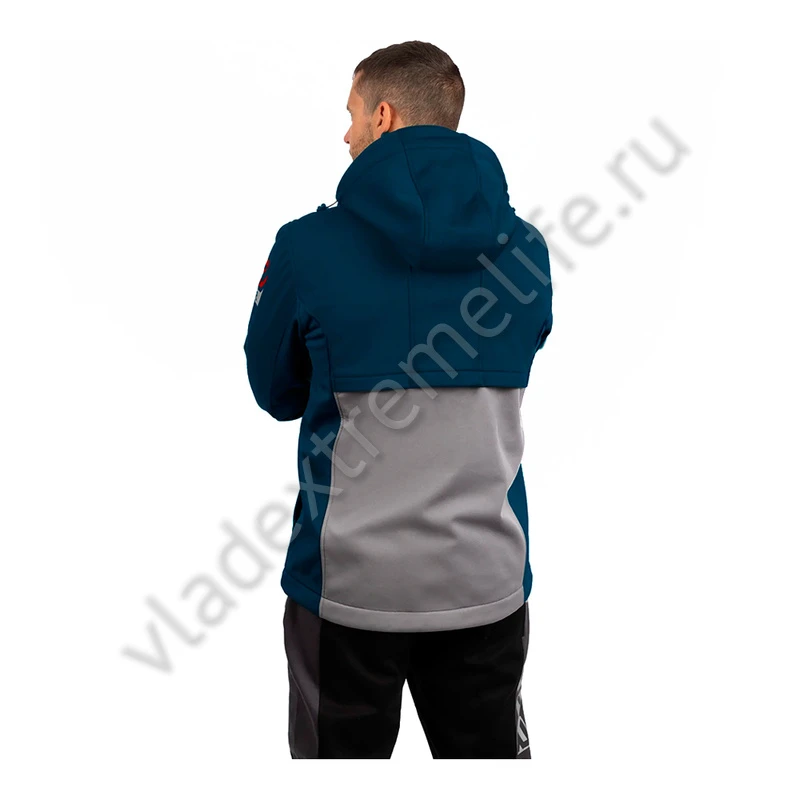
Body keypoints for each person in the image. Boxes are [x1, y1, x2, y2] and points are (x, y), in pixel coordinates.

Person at [244, 40, 553, 759]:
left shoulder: (305, 247)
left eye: (352, 114)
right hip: (485, 580)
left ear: (382, 116)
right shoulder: (527, 251)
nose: (345, 133)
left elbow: (275, 391)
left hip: (345, 590)